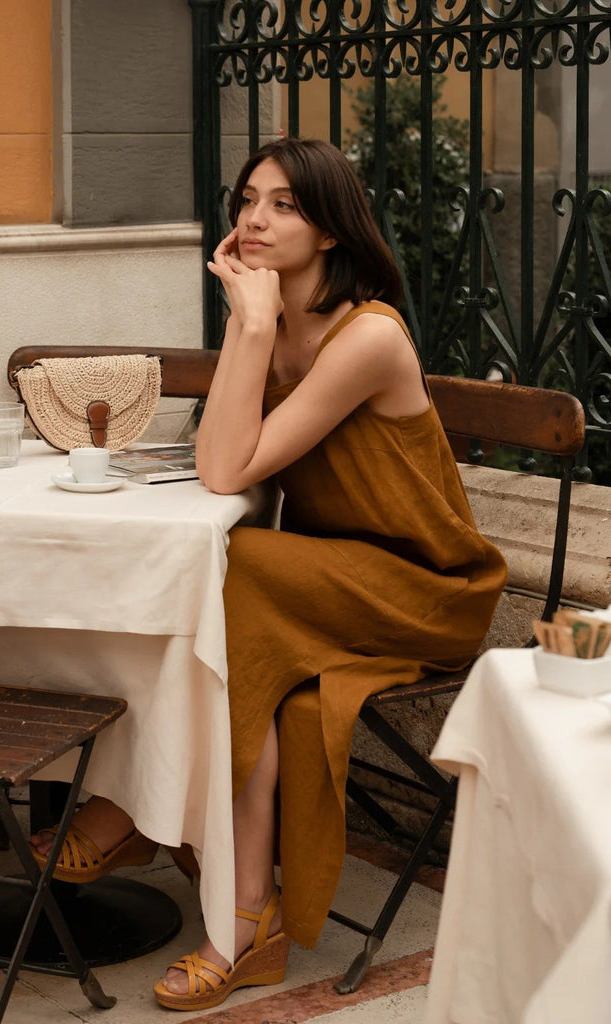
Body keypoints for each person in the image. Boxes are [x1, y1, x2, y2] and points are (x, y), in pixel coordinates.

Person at [31, 137, 507, 1011]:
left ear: (330, 229)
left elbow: (224, 473)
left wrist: (248, 325)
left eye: (284, 204)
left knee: (237, 568)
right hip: (331, 580)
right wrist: (252, 328)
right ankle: (249, 917)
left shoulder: (367, 337)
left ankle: (143, 816)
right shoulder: (272, 322)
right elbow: (225, 455)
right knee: (254, 654)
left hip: (424, 588)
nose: (254, 219)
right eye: (249, 199)